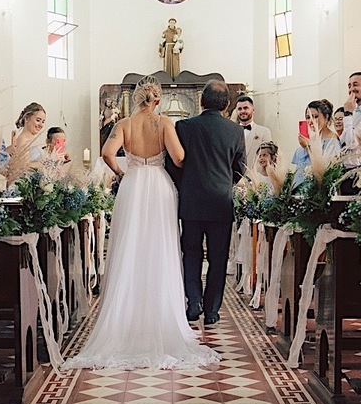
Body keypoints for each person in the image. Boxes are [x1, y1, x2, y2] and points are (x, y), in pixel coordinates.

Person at [62, 76, 217, 371]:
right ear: (157, 100)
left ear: (135, 99)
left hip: (133, 184)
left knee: (129, 247)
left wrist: (122, 172)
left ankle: (127, 318)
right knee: (159, 248)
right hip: (159, 186)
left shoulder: (124, 125)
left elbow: (107, 153)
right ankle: (161, 316)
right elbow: (180, 157)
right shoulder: (164, 124)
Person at [169, 80, 247, 326]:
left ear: (201, 102)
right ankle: (212, 310)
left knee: (190, 253)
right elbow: (240, 168)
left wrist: (187, 184)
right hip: (221, 202)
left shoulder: (183, 126)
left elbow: (173, 164)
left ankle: (193, 303)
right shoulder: (235, 131)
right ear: (226, 104)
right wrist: (224, 182)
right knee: (218, 256)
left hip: (191, 201)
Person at [291, 99, 341, 184]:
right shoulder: (310, 139)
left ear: (326, 117)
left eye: (315, 116)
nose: (311, 121)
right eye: (308, 117)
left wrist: (308, 147)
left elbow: (329, 168)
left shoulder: (332, 140)